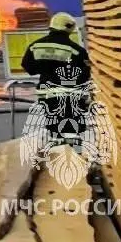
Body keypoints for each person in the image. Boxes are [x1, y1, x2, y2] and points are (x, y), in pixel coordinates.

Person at [21, 12, 92, 145]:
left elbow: (28, 67)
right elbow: (85, 74)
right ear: (69, 27)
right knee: (73, 129)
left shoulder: (35, 46)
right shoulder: (76, 50)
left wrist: (45, 69)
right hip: (70, 96)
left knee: (54, 127)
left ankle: (57, 150)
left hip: (47, 94)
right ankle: (72, 151)